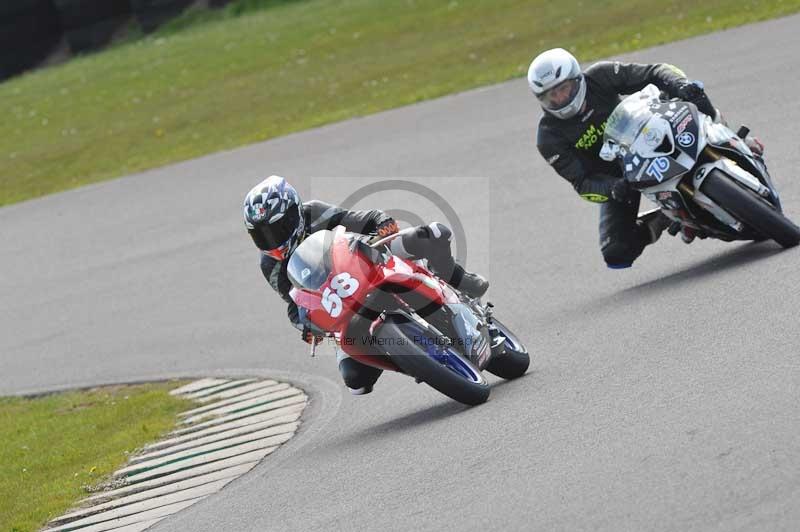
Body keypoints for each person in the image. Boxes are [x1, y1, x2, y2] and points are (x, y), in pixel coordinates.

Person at [243, 175, 489, 394]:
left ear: (294, 212)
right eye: (261, 235)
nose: (271, 240)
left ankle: (457, 280)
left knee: (434, 233)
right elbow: (295, 303)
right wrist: (307, 326)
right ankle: (418, 362)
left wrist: (382, 227)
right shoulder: (270, 264)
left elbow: (365, 219)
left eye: (277, 228)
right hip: (338, 303)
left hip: (364, 261)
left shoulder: (314, 212)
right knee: (356, 380)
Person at [528, 48, 764, 264]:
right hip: (622, 178)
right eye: (551, 96)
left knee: (695, 97)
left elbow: (656, 72)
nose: (559, 98)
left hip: (649, 133)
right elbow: (582, 183)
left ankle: (732, 138)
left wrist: (681, 85)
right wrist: (612, 188)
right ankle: (665, 218)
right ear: (541, 99)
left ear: (576, 79)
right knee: (616, 253)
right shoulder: (548, 137)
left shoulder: (600, 76)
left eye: (563, 89)